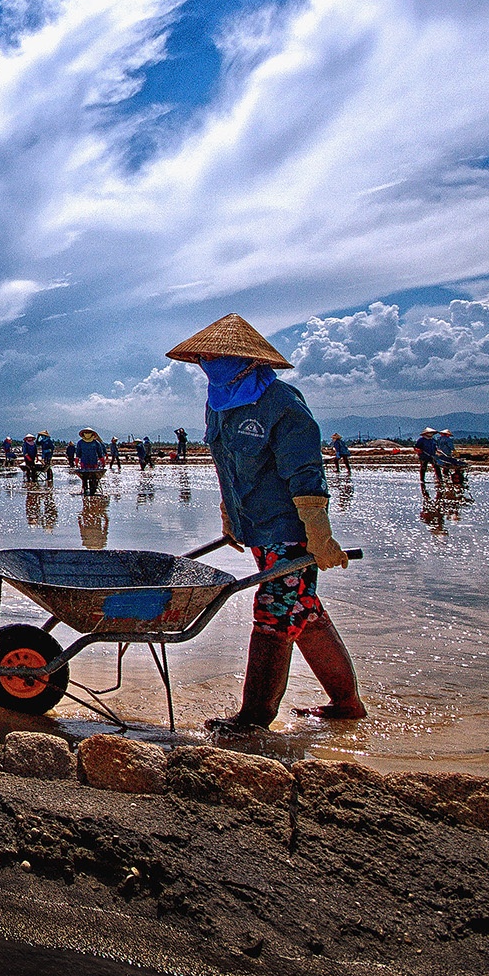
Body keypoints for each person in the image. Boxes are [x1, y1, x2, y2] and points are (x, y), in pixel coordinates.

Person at [167, 313, 366, 731]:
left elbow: (305, 474)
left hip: (290, 532)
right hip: (257, 529)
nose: (207, 361)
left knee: (276, 612)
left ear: (244, 360)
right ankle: (347, 704)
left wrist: (319, 536)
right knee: (303, 611)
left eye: (215, 354)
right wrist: (229, 517)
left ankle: (254, 719)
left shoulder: (282, 404)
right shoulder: (217, 403)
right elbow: (226, 466)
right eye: (203, 355)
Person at [75, 428, 107, 495]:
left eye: (89, 433)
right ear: (83, 434)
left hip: (93, 463)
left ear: (92, 434)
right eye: (86, 433)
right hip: (84, 463)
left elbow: (100, 454)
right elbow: (78, 454)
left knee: (93, 477)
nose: (87, 434)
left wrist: (103, 462)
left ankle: (93, 489)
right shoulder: (80, 443)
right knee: (85, 478)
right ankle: (85, 488)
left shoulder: (96, 443)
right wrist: (76, 462)